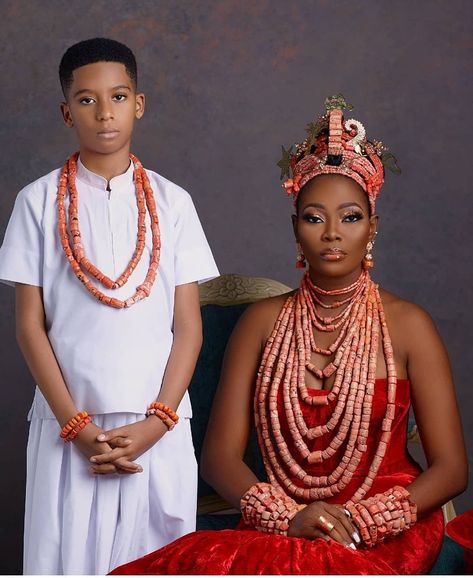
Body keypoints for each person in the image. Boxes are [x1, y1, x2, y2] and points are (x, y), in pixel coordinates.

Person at [110, 95, 467, 575]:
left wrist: (361, 523)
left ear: (373, 228)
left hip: (384, 533)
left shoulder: (409, 325)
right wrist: (290, 517)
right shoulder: (261, 323)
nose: (332, 233)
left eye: (351, 217)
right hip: (283, 524)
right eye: (314, 217)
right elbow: (219, 457)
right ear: (295, 229)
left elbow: (451, 469)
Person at [0, 38, 219, 574]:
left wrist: (156, 424)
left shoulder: (174, 202)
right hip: (68, 426)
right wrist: (76, 426)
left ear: (138, 103)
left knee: (158, 561)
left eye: (118, 96)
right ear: (66, 110)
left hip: (157, 426)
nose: (104, 113)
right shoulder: (36, 201)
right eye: (87, 100)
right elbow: (31, 326)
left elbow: (187, 327)